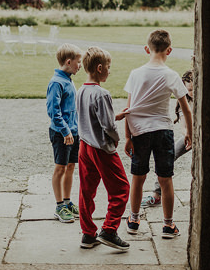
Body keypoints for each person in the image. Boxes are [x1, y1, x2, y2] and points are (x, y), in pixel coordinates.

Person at [123, 29, 192, 239]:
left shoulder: (136, 73)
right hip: (163, 131)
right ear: (169, 50)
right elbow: (186, 109)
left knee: (138, 177)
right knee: (165, 178)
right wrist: (189, 132)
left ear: (147, 49)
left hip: (140, 132)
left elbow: (128, 109)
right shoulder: (171, 75)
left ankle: (134, 219)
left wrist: (127, 137)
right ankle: (168, 226)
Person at [75, 47, 131, 250]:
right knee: (121, 188)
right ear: (99, 68)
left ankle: (88, 234)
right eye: (108, 67)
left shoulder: (81, 90)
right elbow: (108, 127)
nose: (109, 70)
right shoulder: (102, 94)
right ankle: (109, 230)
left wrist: (115, 116)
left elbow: (90, 117)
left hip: (84, 147)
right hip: (101, 149)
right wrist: (117, 139)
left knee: (86, 191)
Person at [141, 69, 194, 209]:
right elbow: (183, 127)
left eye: (193, 90)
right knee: (171, 154)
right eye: (188, 90)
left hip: (203, 135)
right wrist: (188, 136)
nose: (190, 92)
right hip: (191, 135)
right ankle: (157, 194)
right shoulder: (185, 101)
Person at [46, 43, 82, 223]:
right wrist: (65, 130)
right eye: (78, 62)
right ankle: (59, 206)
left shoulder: (68, 79)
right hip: (62, 133)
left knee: (71, 167)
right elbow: (53, 111)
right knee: (60, 168)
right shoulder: (56, 83)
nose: (80, 65)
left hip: (73, 132)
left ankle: (67, 202)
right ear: (68, 62)